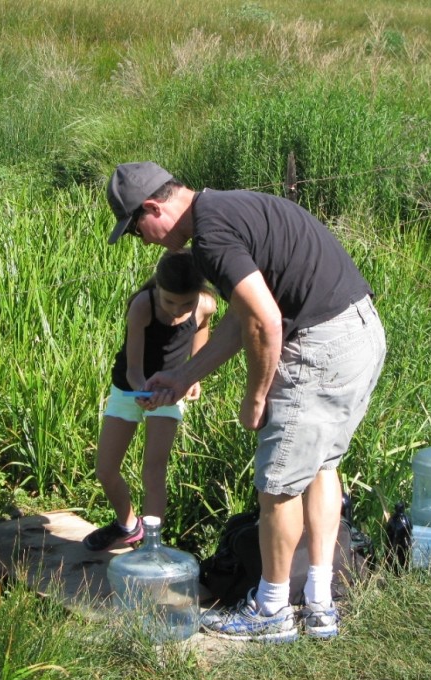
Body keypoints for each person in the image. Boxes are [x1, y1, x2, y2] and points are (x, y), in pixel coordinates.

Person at [105, 162, 386, 641]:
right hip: (359, 333)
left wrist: (256, 396)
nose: (144, 240)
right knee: (321, 467)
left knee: (278, 484)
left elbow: (266, 323)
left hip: (320, 344)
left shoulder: (211, 237)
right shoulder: (228, 207)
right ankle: (319, 602)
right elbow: (243, 316)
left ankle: (272, 609)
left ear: (153, 207)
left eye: (136, 228)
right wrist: (182, 375)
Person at [83, 249, 217, 551]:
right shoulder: (143, 305)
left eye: (186, 303)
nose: (176, 310)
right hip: (131, 387)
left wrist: (193, 375)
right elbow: (132, 368)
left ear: (199, 294)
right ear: (157, 287)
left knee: (153, 470)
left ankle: (151, 546)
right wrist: (144, 394)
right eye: (169, 301)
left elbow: (203, 331)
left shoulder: (205, 305)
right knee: (105, 468)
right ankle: (128, 526)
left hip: (170, 390)